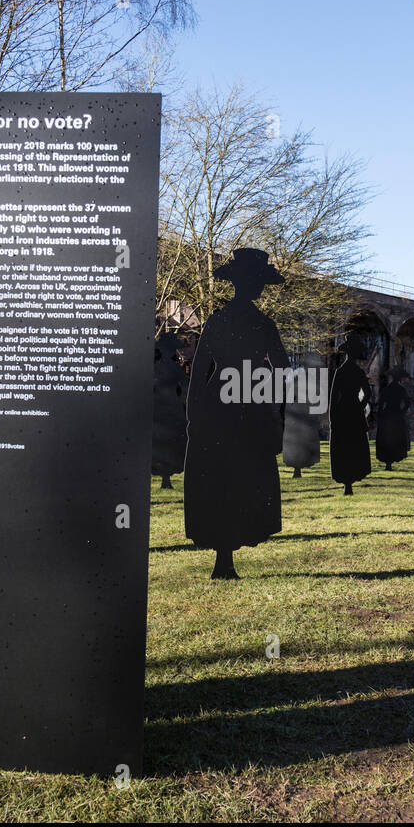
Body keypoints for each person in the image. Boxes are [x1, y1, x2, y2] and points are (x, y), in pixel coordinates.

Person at [183, 248, 288, 579]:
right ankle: (224, 559)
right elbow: (282, 370)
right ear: (251, 284)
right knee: (236, 480)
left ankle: (223, 558)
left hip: (220, 405)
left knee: (222, 481)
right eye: (256, 282)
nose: (257, 289)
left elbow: (200, 373)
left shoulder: (219, 321)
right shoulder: (262, 324)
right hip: (248, 403)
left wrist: (194, 413)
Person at [329, 335, 373, 495]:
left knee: (343, 446)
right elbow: (367, 393)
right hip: (354, 409)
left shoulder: (340, 372)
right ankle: (350, 482)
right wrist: (360, 406)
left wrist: (333, 417)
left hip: (342, 410)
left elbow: (333, 397)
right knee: (354, 445)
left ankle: (347, 483)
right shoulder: (358, 372)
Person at [152, 332, 189, 489]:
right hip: (169, 412)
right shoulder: (172, 367)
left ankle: (165, 478)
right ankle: (165, 478)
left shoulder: (158, 365)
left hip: (163, 412)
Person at [374, 370, 412, 470]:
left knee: (387, 438)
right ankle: (390, 462)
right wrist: (402, 412)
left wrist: (380, 415)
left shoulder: (386, 389)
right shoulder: (401, 389)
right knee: (395, 438)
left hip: (387, 414)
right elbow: (408, 403)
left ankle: (388, 463)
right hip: (397, 414)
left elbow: (381, 404)